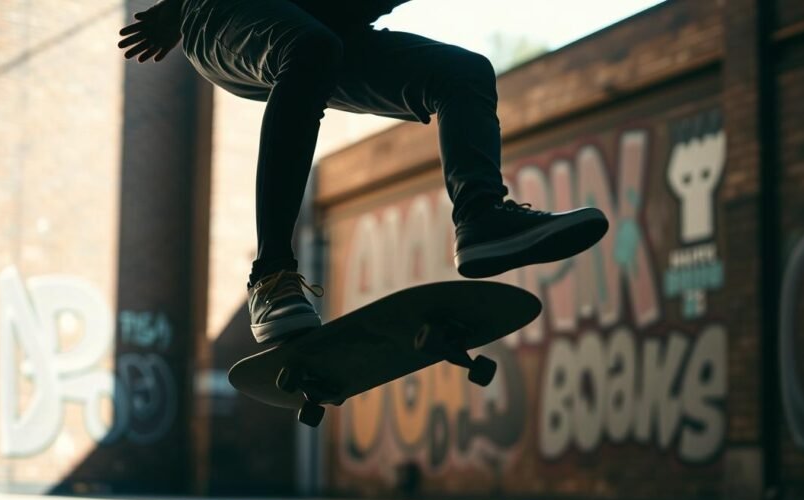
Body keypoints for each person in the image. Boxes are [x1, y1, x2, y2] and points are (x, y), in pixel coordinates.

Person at [119, 0, 609, 343]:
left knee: (464, 72)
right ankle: (271, 276)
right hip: (229, 14)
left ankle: (482, 219)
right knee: (310, 48)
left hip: (333, 31)